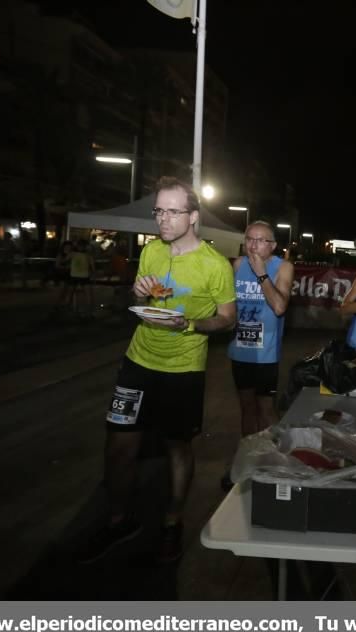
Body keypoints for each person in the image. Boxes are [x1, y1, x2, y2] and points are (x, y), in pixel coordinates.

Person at [77, 177, 236, 565]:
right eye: (159, 211)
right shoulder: (151, 252)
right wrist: (139, 292)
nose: (162, 219)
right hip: (138, 362)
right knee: (118, 445)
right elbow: (139, 295)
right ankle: (118, 520)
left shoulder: (215, 266)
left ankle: (172, 523)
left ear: (193, 216)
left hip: (183, 369)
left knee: (177, 447)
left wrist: (191, 325)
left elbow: (228, 319)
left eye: (172, 211)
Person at [228, 221, 294, 439]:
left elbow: (279, 307)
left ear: (272, 245)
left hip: (266, 354)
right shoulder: (238, 264)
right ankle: (248, 456)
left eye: (260, 240)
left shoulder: (283, 267)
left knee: (266, 410)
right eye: (249, 239)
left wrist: (261, 274)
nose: (253, 245)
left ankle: (274, 459)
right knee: (246, 409)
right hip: (239, 350)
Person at [66, 239, 95, 317]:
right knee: (86, 293)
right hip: (82, 276)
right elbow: (92, 266)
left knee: (71, 293)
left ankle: (69, 308)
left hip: (76, 275)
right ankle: (88, 310)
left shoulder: (73, 254)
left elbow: (66, 259)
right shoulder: (87, 255)